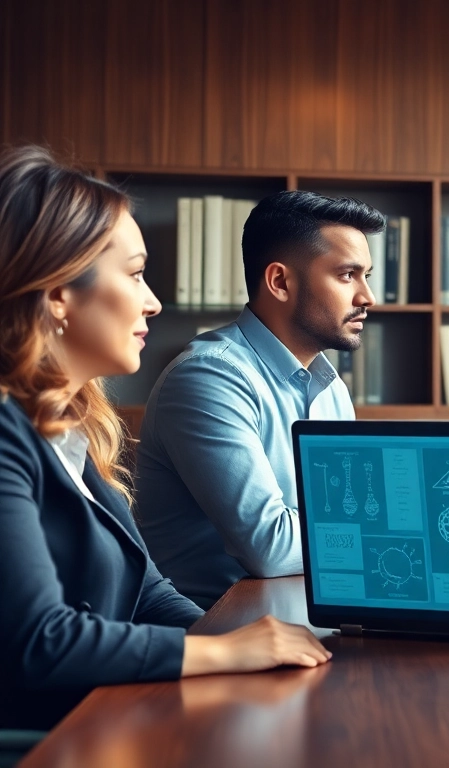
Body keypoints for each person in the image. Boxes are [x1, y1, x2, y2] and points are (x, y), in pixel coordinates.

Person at [0, 146, 330, 732]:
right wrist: (226, 653)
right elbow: (38, 641)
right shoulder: (6, 436)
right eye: (133, 273)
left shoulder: (72, 434)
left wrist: (253, 644)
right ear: (56, 294)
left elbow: (146, 593)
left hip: (105, 719)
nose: (152, 299)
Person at [135, 190, 382, 607]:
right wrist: (384, 530)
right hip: (211, 629)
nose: (366, 297)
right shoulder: (210, 376)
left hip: (304, 608)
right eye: (346, 275)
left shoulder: (331, 388)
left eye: (367, 276)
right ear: (280, 282)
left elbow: (343, 519)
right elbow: (270, 546)